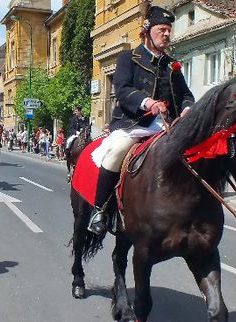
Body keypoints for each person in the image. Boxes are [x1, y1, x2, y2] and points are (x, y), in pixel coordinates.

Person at [87, 5, 194, 235]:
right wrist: (149, 103)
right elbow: (123, 89)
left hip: (166, 125)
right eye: (162, 29)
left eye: (169, 30)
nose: (167, 34)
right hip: (133, 123)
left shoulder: (171, 65)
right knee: (116, 152)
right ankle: (100, 210)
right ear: (147, 31)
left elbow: (186, 95)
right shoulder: (128, 58)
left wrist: (186, 109)